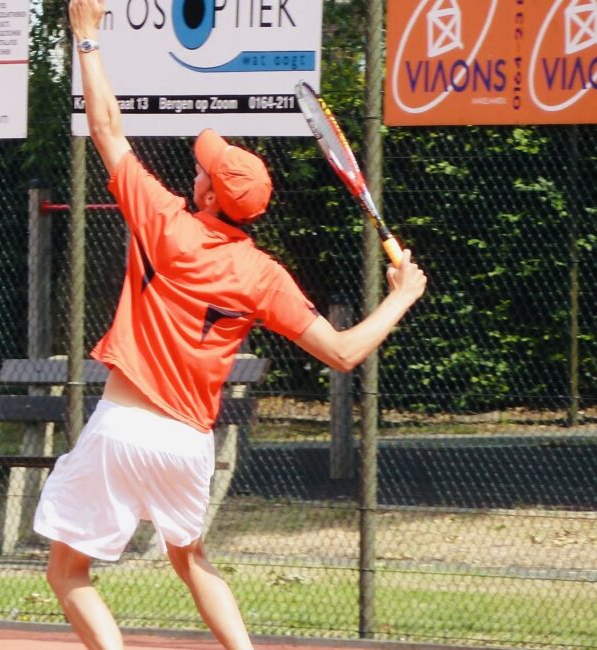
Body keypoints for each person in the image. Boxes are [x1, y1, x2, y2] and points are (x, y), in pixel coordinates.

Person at [32, 1, 429, 648]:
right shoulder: (263, 274)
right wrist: (402, 295)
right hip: (189, 445)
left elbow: (106, 127)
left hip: (122, 427)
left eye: (205, 170)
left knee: (67, 572)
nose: (197, 168)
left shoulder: (165, 220)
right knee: (191, 560)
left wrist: (86, 37)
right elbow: (343, 352)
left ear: (212, 196)